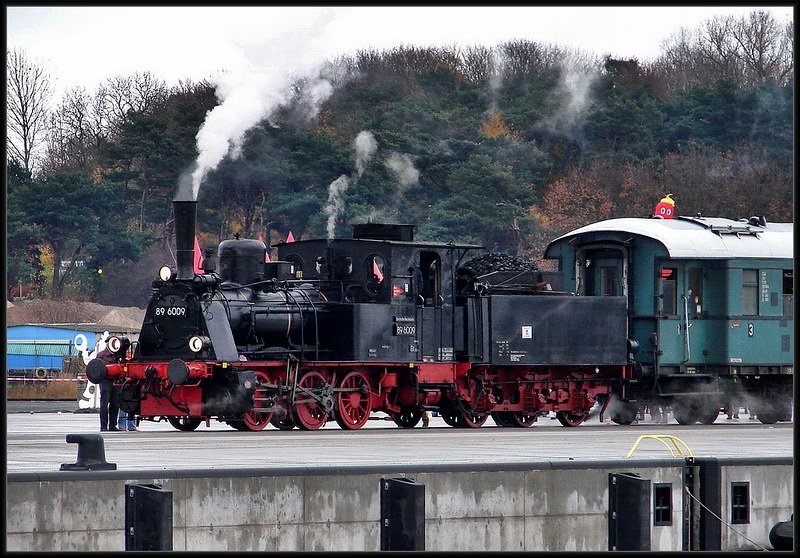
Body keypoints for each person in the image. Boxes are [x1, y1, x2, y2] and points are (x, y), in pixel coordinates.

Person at [96, 348, 120, 431]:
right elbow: (96, 368)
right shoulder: (101, 355)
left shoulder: (118, 355)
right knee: (104, 404)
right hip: (105, 381)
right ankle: (103, 426)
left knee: (115, 404)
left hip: (116, 381)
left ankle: (112, 425)